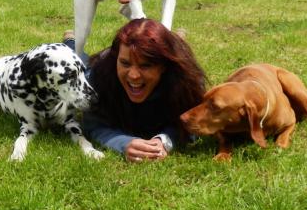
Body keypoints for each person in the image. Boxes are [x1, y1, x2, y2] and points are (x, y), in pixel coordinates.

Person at [65, 18, 207, 163]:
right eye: (125, 63)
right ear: (116, 59)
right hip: (93, 67)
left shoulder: (187, 80)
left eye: (145, 66)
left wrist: (164, 140)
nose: (133, 75)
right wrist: (123, 143)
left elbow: (194, 125)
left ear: (164, 66)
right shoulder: (100, 75)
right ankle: (70, 40)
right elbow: (93, 125)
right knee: (76, 60)